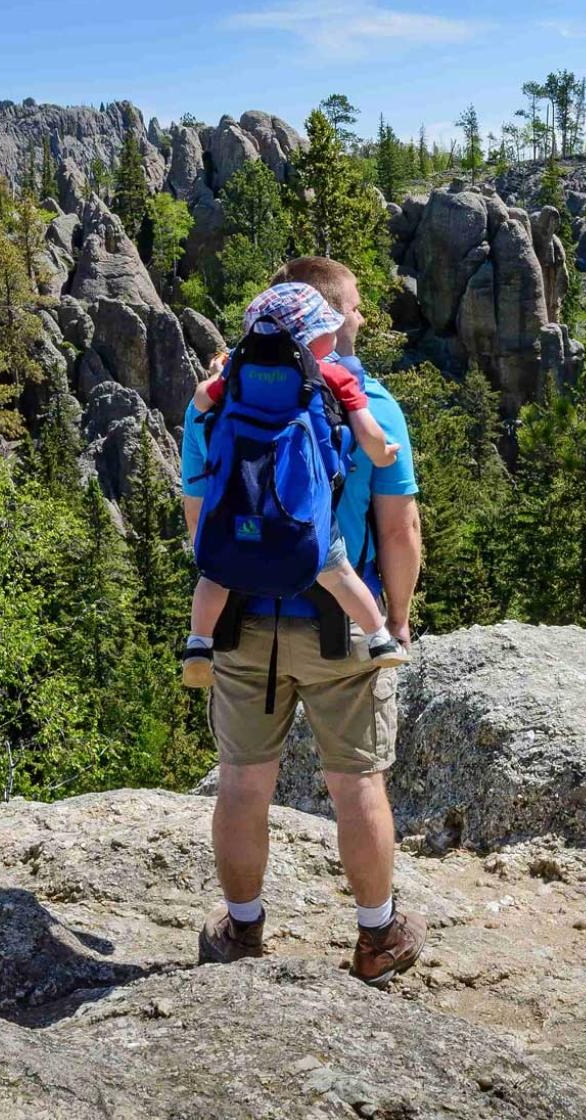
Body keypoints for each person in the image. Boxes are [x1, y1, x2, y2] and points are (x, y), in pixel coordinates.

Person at [180, 256, 427, 986]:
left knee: (244, 782)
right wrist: (398, 620)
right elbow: (401, 528)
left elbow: (202, 529)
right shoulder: (369, 399)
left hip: (241, 621)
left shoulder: (217, 402)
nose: (362, 318)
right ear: (326, 315)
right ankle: (377, 938)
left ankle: (243, 929)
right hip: (340, 622)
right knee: (356, 783)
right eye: (352, 307)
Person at [181, 282, 408, 690]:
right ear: (313, 338)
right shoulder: (331, 375)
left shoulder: (236, 373)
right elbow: (369, 437)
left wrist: (218, 378)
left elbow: (200, 403)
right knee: (338, 573)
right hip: (301, 524)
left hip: (240, 519)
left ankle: (198, 644)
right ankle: (379, 639)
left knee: (213, 574)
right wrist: (384, 454)